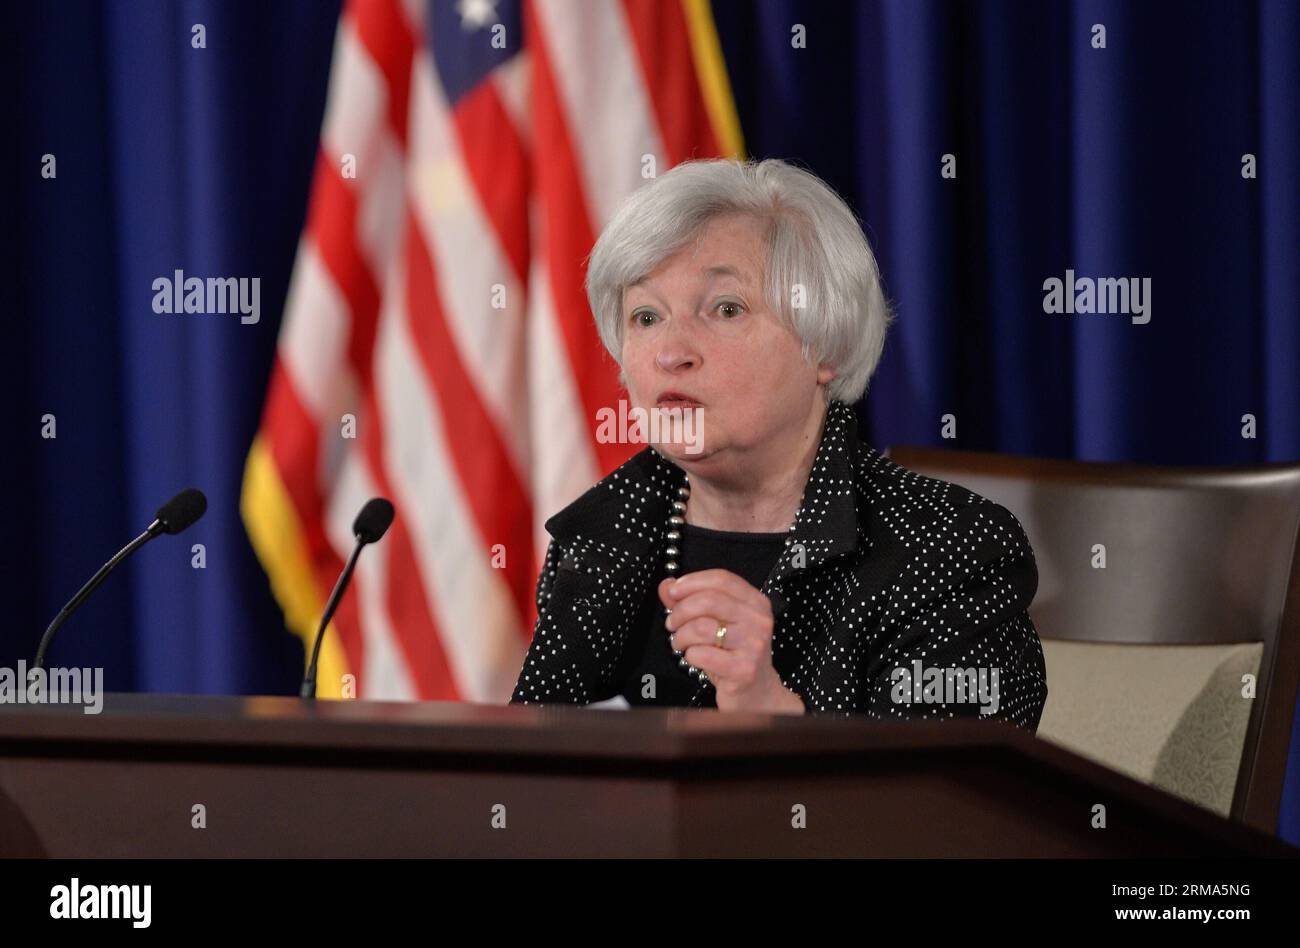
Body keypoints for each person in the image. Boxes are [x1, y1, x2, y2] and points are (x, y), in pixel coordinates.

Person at [510, 158, 1047, 729]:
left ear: (825, 346)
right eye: (646, 316)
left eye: (725, 308)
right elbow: (530, 780)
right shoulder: (600, 536)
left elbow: (952, 805)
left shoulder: (949, 551)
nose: (670, 352)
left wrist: (769, 707)